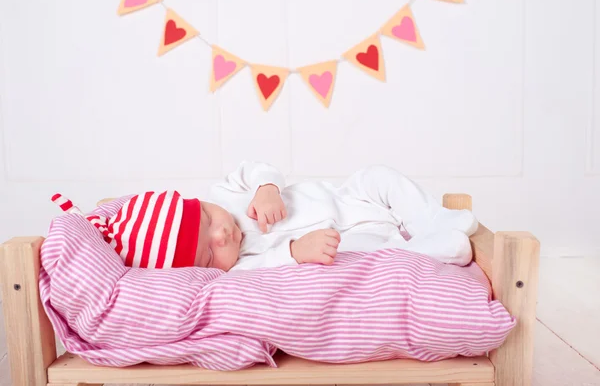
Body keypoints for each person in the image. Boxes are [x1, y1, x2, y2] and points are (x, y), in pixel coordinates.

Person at [52, 161, 478, 272]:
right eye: (206, 257)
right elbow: (265, 270)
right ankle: (425, 252)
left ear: (199, 204)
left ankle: (428, 221)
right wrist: (295, 250)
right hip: (352, 240)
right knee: (361, 262)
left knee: (378, 176)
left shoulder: (227, 193)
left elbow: (255, 166)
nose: (221, 238)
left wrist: (267, 187)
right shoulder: (237, 268)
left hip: (356, 202)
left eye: (206, 223)